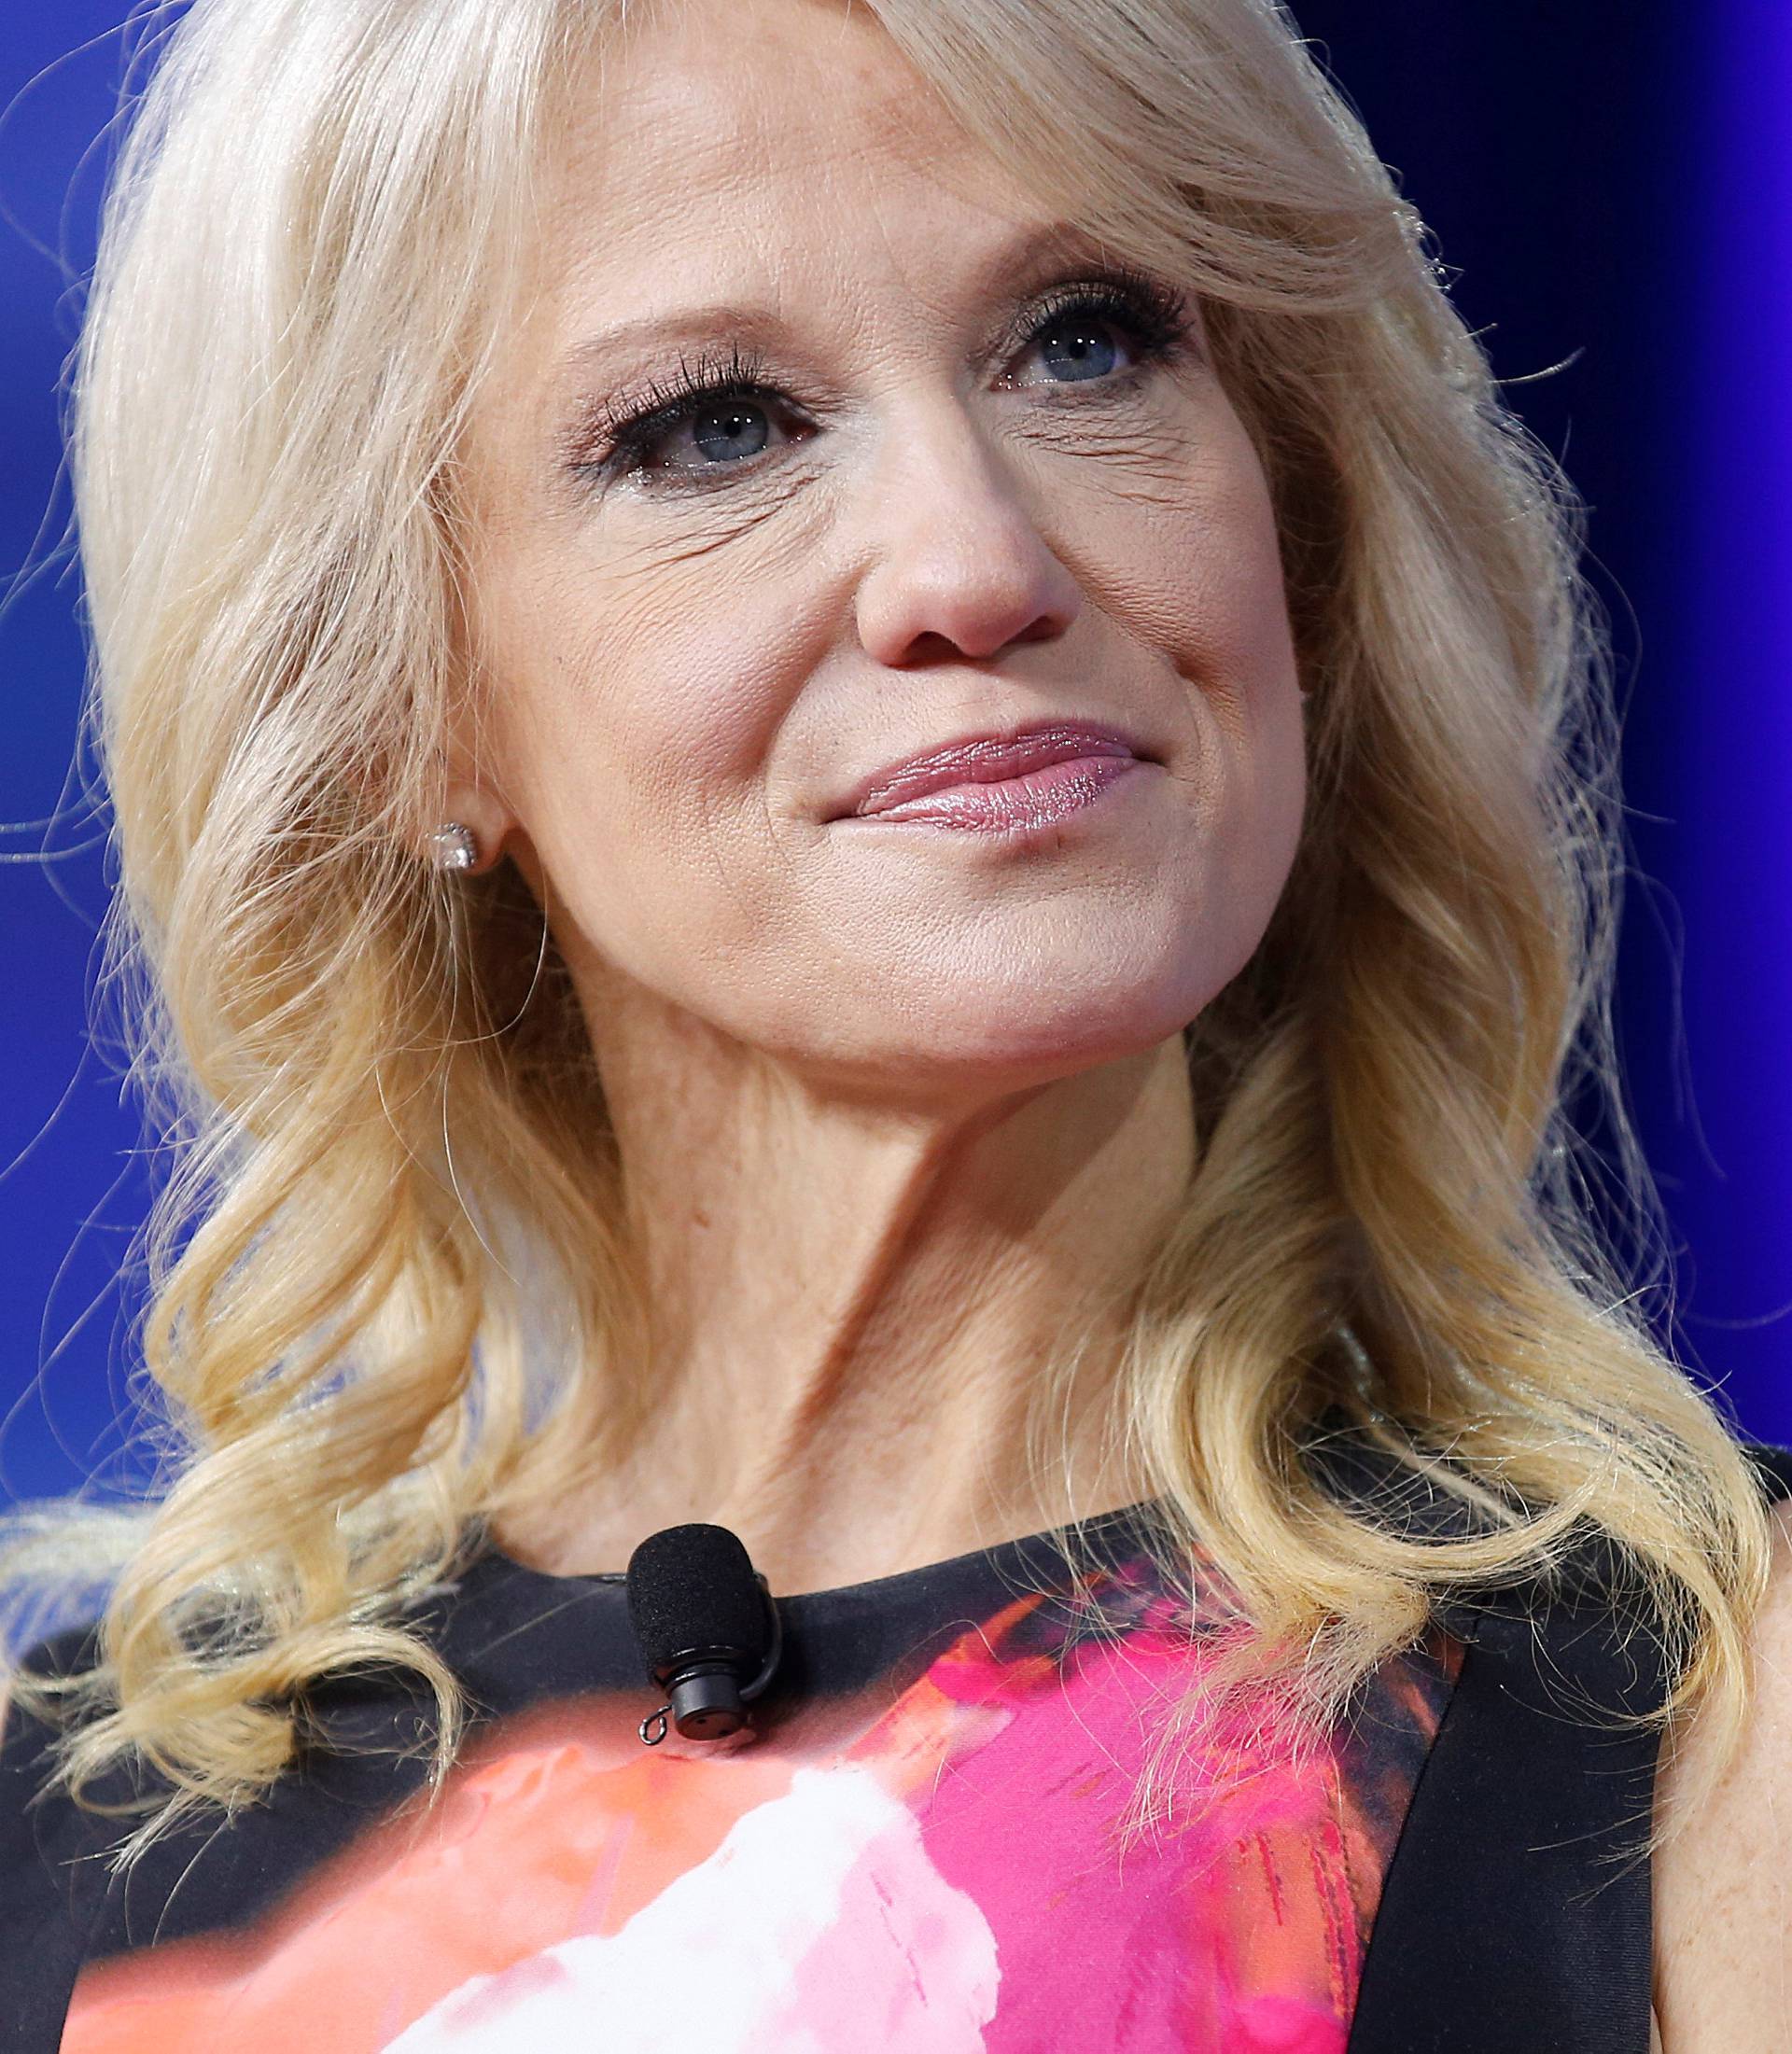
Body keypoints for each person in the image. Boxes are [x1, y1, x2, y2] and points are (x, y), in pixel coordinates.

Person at [0, 0, 1786, 2046]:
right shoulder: (64, 1853)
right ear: (413, 708)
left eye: (1089, 339)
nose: (976, 558)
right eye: (715, 428)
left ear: (1293, 517)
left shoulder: (1721, 1729)